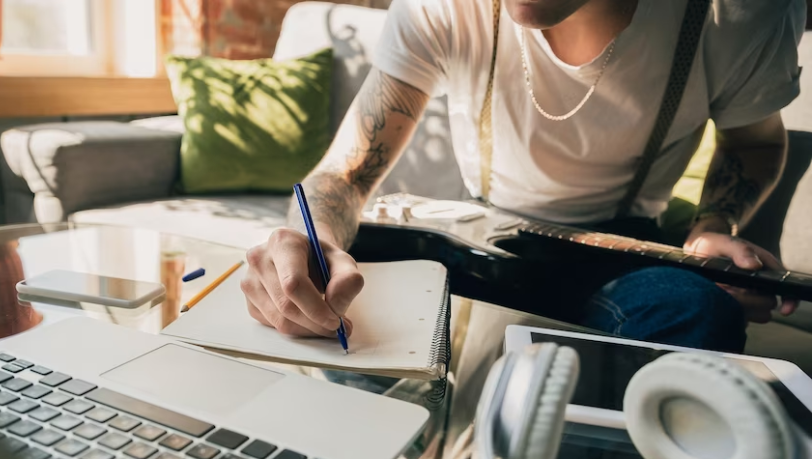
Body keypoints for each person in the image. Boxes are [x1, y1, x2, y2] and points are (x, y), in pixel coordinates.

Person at [240, 0, 805, 354]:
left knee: (695, 311)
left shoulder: (736, 14)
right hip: (478, 244)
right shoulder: (441, 8)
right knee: (358, 306)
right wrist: (311, 243)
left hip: (624, 252)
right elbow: (345, 173)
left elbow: (753, 141)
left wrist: (712, 223)